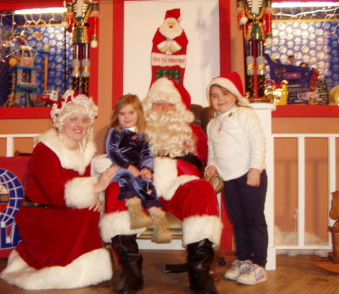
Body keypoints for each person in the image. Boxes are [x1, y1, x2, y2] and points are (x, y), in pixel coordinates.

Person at [96, 77, 222, 294]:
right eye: (157, 103)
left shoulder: (196, 133)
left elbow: (211, 160)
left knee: (203, 188)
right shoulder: (133, 132)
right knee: (118, 187)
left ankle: (200, 273)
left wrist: (214, 169)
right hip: (144, 185)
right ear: (148, 108)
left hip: (181, 185)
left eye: (170, 104)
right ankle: (131, 270)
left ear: (179, 108)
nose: (164, 108)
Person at [0, 90, 119, 290]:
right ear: (62, 121)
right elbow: (55, 193)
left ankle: (82, 268)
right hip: (42, 213)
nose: (80, 125)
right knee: (84, 212)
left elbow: (83, 185)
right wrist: (95, 188)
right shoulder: (45, 150)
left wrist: (94, 195)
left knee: (92, 210)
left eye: (84, 119)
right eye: (73, 118)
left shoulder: (86, 150)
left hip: (61, 209)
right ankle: (61, 264)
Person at [204, 72, 268, 286]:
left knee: (254, 219)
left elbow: (257, 142)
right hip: (228, 178)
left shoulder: (244, 114)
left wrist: (255, 168)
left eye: (224, 93)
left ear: (235, 95)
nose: (220, 98)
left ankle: (259, 263)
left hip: (249, 175)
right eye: (214, 95)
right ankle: (244, 259)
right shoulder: (212, 124)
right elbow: (212, 149)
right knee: (238, 222)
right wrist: (211, 164)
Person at [106, 94, 172, 243]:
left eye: (131, 113)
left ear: (139, 114)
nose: (126, 117)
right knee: (127, 178)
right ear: (117, 115)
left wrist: (148, 168)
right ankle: (136, 214)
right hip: (120, 168)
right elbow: (112, 151)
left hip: (138, 169)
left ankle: (160, 224)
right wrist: (127, 166)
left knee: (148, 185)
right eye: (122, 113)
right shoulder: (117, 131)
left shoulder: (143, 134)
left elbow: (147, 154)